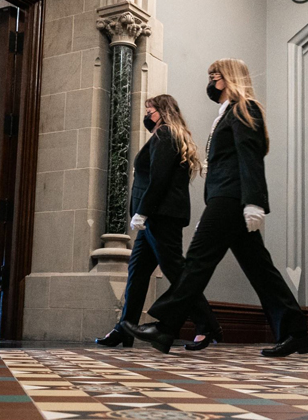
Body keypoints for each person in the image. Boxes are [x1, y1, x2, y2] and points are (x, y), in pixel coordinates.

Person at [122, 58, 308, 357]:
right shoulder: (225, 114)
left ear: (230, 78)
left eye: (215, 76)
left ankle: (165, 326)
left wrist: (254, 202)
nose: (211, 82)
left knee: (198, 260)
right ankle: (296, 332)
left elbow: (248, 156)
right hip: (224, 199)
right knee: (260, 269)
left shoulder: (243, 108)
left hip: (232, 198)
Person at [95, 95, 222, 350]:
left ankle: (207, 323)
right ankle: (125, 328)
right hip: (156, 215)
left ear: (162, 112)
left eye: (150, 110)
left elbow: (159, 178)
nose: (147, 115)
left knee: (176, 271)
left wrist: (141, 211)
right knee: (138, 272)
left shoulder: (166, 134)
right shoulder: (167, 135)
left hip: (161, 215)